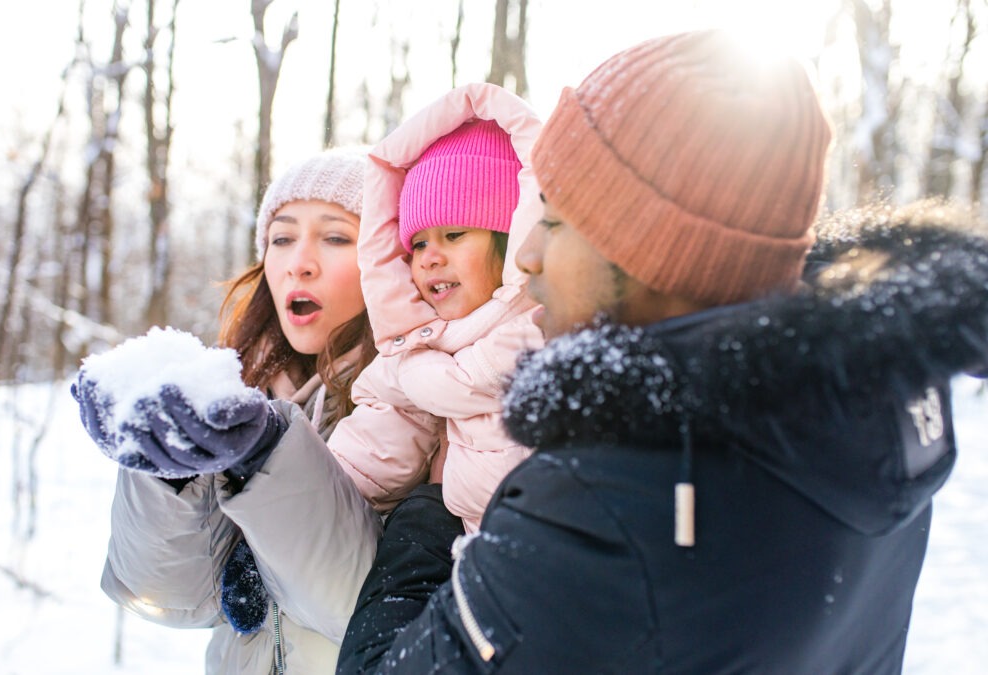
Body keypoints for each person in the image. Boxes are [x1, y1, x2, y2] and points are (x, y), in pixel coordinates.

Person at [336, 29, 988, 673]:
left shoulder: (607, 504)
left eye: (557, 222)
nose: (528, 253)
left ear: (652, 253)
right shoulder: (879, 404)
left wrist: (423, 520)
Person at [73, 148, 384, 674]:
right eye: (282, 238)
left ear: (383, 260)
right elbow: (173, 598)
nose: (298, 261)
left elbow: (359, 607)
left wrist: (266, 456)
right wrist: (167, 473)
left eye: (335, 237)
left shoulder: (418, 403)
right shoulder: (253, 387)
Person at [328, 87, 544, 534]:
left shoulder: (547, 330)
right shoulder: (417, 352)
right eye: (419, 243)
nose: (429, 257)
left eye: (455, 234)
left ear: (511, 240)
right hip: (474, 564)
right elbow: (361, 465)